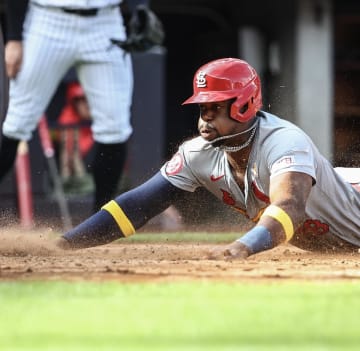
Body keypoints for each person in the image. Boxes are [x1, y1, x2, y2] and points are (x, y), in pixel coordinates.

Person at [55, 57, 360, 259]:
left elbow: (290, 208)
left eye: (215, 107)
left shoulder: (285, 142)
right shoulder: (197, 153)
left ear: (243, 105)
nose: (205, 117)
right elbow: (139, 205)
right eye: (202, 108)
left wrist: (243, 247)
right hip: (338, 190)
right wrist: (68, 243)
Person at [0, 0, 135, 212]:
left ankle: (100, 226)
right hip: (47, 21)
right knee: (17, 124)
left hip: (106, 22)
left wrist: (140, 9)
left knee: (114, 128)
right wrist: (14, 37)